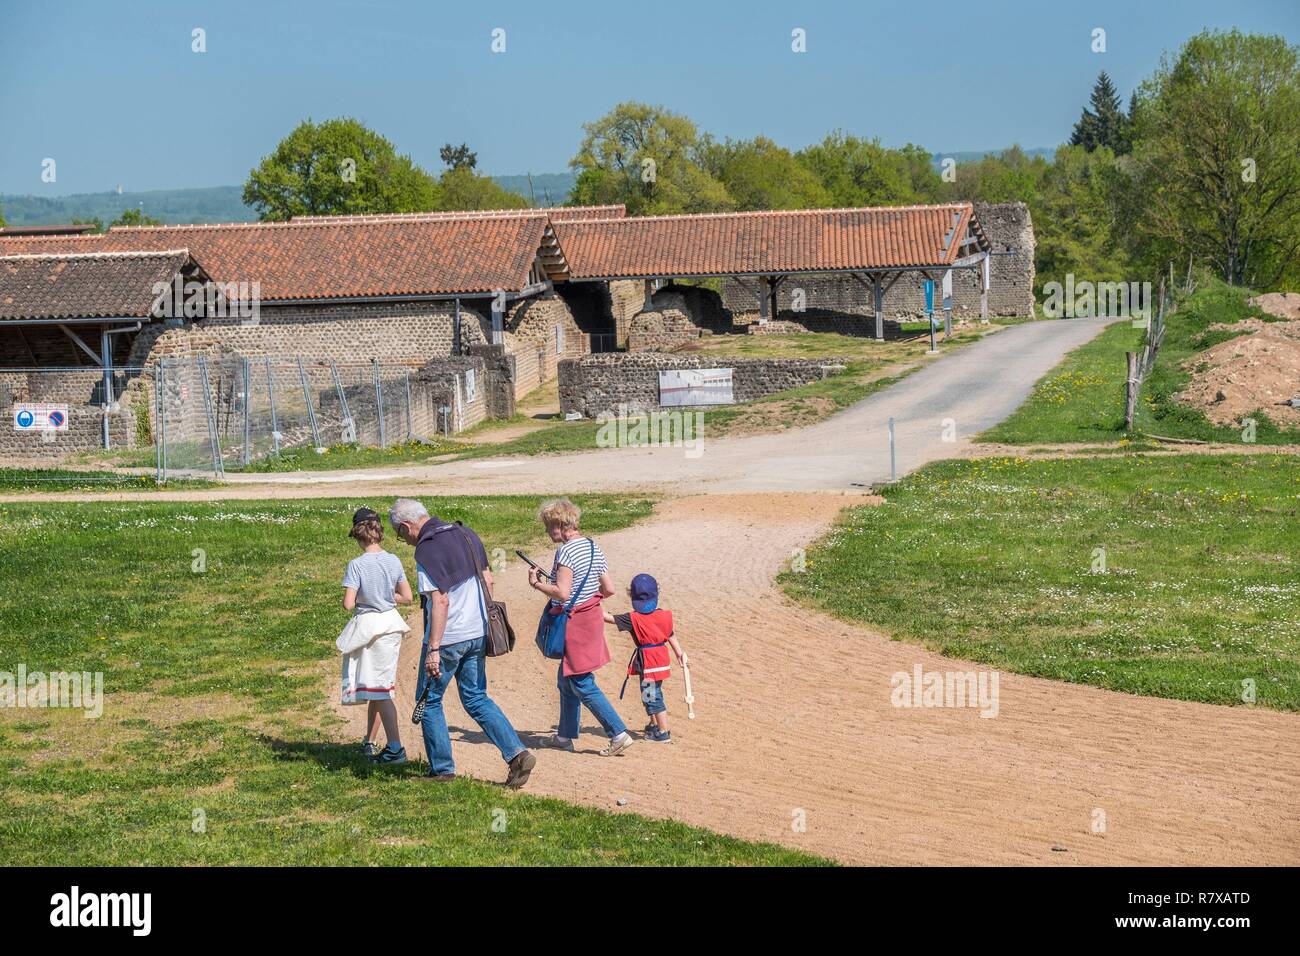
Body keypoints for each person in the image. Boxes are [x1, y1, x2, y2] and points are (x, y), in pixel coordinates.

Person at [388, 498, 536, 788]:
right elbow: (488, 580)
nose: (403, 540)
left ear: (406, 526)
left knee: (429, 702)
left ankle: (442, 770)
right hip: (478, 631)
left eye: (400, 534)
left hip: (448, 639)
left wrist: (433, 649)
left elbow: (439, 600)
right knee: (477, 698)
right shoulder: (465, 534)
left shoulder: (426, 550)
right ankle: (517, 754)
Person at [528, 498, 634, 757]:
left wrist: (537, 584)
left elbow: (562, 593)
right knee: (566, 679)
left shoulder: (565, 552)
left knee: (581, 680)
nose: (547, 532)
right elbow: (608, 589)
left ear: (559, 525)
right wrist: (585, 596)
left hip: (574, 623)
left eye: (548, 527)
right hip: (592, 618)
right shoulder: (592, 546)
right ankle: (564, 736)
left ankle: (618, 733)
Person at [338, 507, 413, 764]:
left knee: (380, 690)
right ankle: (369, 741)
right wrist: (385, 596)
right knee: (377, 687)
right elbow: (407, 597)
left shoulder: (356, 565)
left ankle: (395, 748)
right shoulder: (393, 560)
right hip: (391, 625)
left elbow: (348, 604)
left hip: (370, 628)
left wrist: (367, 596)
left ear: (358, 535)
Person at [604, 573, 687, 742]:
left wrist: (594, 599)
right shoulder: (663, 615)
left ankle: (663, 732)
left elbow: (606, 617)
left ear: (631, 595)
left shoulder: (633, 618)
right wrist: (680, 653)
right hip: (661, 660)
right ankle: (654, 724)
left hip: (649, 663)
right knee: (650, 693)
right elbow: (670, 634)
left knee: (653, 695)